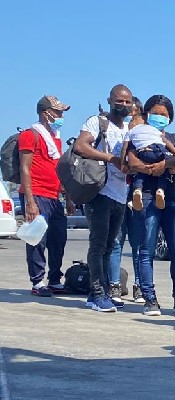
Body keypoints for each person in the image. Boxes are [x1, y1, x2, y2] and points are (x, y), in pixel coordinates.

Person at [126, 94, 175, 316]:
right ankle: (149, 299)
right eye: (155, 113)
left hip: (172, 198)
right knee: (146, 249)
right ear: (146, 113)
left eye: (164, 115)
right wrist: (153, 169)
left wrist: (164, 164)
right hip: (146, 197)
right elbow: (131, 162)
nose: (159, 117)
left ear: (171, 117)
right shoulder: (137, 136)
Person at [74, 84, 132, 313]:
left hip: (120, 194)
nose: (124, 105)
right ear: (109, 100)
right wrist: (110, 158)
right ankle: (99, 293)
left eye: (128, 102)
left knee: (110, 245)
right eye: (119, 101)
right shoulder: (97, 122)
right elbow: (80, 146)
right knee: (98, 244)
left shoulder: (129, 127)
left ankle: (97, 292)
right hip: (100, 192)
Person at [18, 95, 73, 297]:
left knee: (58, 238)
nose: (60, 116)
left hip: (54, 196)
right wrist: (30, 202)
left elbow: (58, 169)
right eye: (57, 112)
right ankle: (37, 281)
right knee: (37, 240)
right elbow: (25, 168)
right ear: (45, 112)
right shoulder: (29, 135)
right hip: (37, 194)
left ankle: (54, 279)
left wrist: (67, 198)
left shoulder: (55, 138)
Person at [109, 97, 144, 303]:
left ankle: (140, 285)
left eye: (136, 112)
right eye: (130, 111)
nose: (132, 114)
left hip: (138, 197)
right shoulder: (117, 133)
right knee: (115, 242)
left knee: (139, 244)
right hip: (117, 194)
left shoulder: (145, 137)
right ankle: (114, 285)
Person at [122, 122, 175, 211]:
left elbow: (124, 148)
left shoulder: (130, 132)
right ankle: (160, 190)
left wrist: (123, 163)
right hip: (157, 149)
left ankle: (137, 190)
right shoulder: (153, 130)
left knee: (140, 171)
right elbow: (165, 141)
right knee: (164, 168)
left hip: (142, 152)